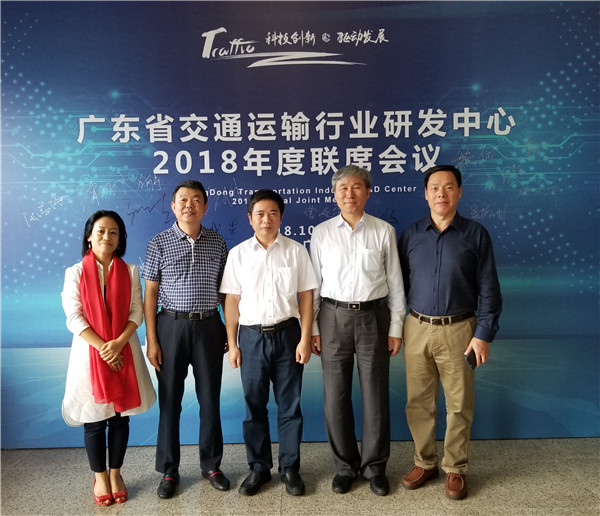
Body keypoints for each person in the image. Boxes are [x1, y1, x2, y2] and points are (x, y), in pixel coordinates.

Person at [397, 164, 502, 500]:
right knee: (418, 402)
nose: (441, 193)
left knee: (459, 404)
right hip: (417, 327)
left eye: (448, 187)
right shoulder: (411, 235)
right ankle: (424, 462)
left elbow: (489, 288)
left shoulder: (475, 234)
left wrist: (483, 333)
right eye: (435, 188)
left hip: (460, 330)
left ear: (459, 192)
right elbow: (399, 285)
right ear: (425, 194)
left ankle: (455, 467)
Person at [309, 165, 406, 496]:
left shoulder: (383, 231)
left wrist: (396, 327)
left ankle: (375, 467)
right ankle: (345, 467)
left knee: (375, 396)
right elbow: (314, 284)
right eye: (343, 188)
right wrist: (314, 328)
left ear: (367, 192)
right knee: (335, 397)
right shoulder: (322, 232)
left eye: (356, 187)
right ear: (334, 194)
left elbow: (395, 282)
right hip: (332, 318)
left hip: (373, 318)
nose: (349, 194)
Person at [220, 189, 317, 497]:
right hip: (251, 338)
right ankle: (259, 467)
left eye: (273, 213)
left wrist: (304, 338)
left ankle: (289, 468)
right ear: (250, 218)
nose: (266, 219)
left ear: (281, 217)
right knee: (254, 406)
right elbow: (232, 301)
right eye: (260, 214)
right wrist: (233, 344)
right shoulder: (238, 254)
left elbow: (306, 297)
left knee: (290, 406)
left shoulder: (296, 251)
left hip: (288, 335)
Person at [61, 210, 156, 506]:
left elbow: (137, 311)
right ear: (89, 236)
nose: (107, 237)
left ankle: (116, 473)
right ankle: (99, 476)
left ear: (120, 239)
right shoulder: (75, 273)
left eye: (113, 232)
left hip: (124, 349)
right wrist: (105, 348)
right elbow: (74, 317)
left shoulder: (131, 271)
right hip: (89, 354)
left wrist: (118, 343)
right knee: (94, 419)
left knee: (119, 417)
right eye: (101, 231)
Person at [142, 179, 230, 499]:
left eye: (196, 200)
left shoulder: (217, 242)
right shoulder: (159, 242)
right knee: (170, 401)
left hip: (209, 326)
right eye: (183, 199)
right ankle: (169, 470)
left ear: (205, 207)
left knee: (210, 400)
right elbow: (150, 293)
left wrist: (229, 331)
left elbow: (226, 292)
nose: (189, 205)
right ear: (173, 206)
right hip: (171, 326)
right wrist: (152, 339)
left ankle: (211, 465)